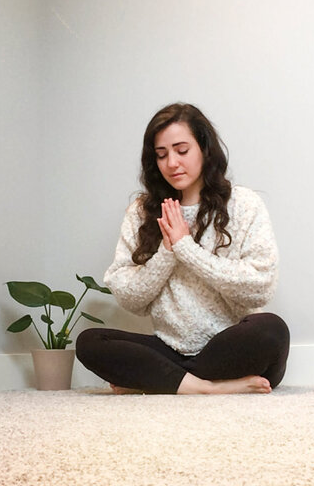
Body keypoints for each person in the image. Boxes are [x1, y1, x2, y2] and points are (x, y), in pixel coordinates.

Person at [76, 103, 290, 395]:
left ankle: (161, 381)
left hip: (229, 346)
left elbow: (260, 286)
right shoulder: (141, 212)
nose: (172, 163)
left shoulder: (244, 204)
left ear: (204, 148)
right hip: (169, 349)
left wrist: (185, 248)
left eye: (182, 150)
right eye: (161, 155)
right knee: (90, 342)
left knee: (272, 330)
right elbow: (129, 297)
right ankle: (207, 388)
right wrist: (166, 252)